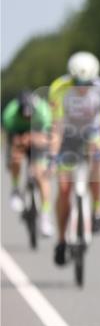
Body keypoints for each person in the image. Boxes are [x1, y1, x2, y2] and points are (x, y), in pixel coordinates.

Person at [48, 52, 100, 266]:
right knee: (64, 189)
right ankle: (61, 240)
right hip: (68, 135)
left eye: (87, 83)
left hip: (92, 132)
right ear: (71, 78)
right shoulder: (59, 89)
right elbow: (56, 128)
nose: (82, 87)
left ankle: (97, 208)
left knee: (97, 157)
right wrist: (52, 157)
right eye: (77, 82)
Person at [2, 90, 54, 236]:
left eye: (30, 115)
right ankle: (15, 190)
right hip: (18, 135)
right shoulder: (10, 114)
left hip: (38, 137)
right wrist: (19, 144)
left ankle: (45, 216)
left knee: (41, 176)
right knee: (15, 158)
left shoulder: (43, 111)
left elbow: (48, 138)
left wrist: (33, 138)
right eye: (24, 115)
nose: (27, 118)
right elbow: (11, 139)